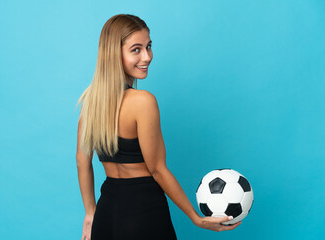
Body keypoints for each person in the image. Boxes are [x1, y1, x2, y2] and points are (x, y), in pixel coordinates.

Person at [75, 14, 241, 240]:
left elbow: (82, 161)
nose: (147, 57)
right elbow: (157, 169)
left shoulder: (91, 103)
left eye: (149, 47)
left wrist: (90, 213)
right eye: (136, 49)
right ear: (114, 53)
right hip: (143, 211)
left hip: (107, 213)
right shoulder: (143, 101)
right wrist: (196, 217)